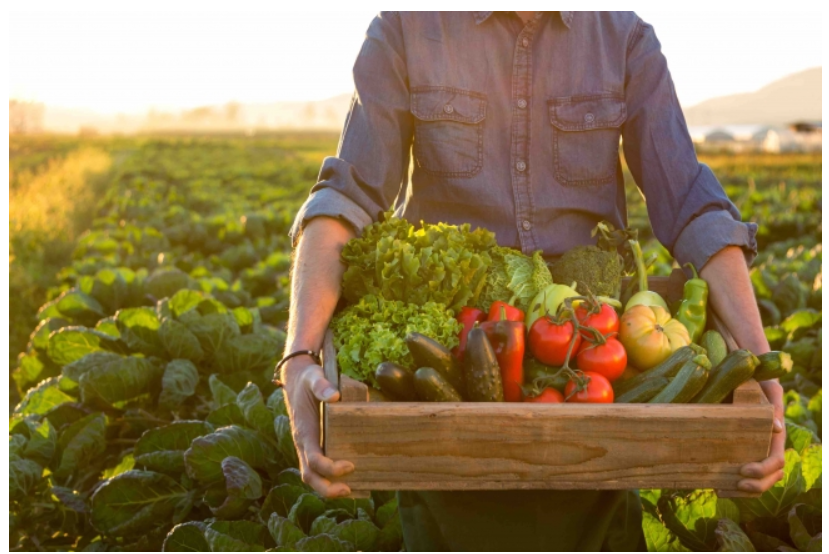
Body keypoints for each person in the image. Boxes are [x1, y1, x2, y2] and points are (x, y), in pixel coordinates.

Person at [277, 11, 786, 551]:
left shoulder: (624, 38)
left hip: (590, 363)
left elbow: (692, 207)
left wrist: (759, 368)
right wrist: (299, 355)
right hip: (450, 371)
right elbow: (345, 197)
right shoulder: (406, 29)